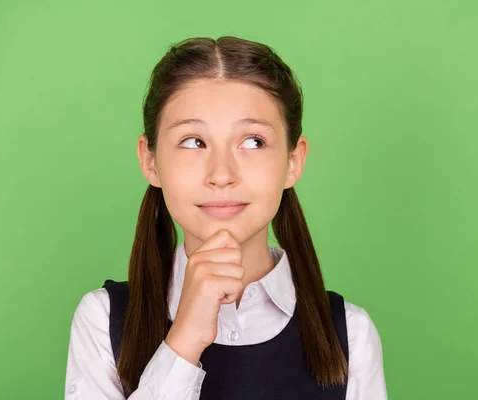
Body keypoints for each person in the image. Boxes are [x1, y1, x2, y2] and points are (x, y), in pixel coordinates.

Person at [64, 35, 388, 400]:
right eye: (193, 141)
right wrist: (184, 340)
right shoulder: (102, 319)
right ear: (150, 161)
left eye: (253, 141)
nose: (221, 174)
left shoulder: (351, 333)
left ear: (293, 162)